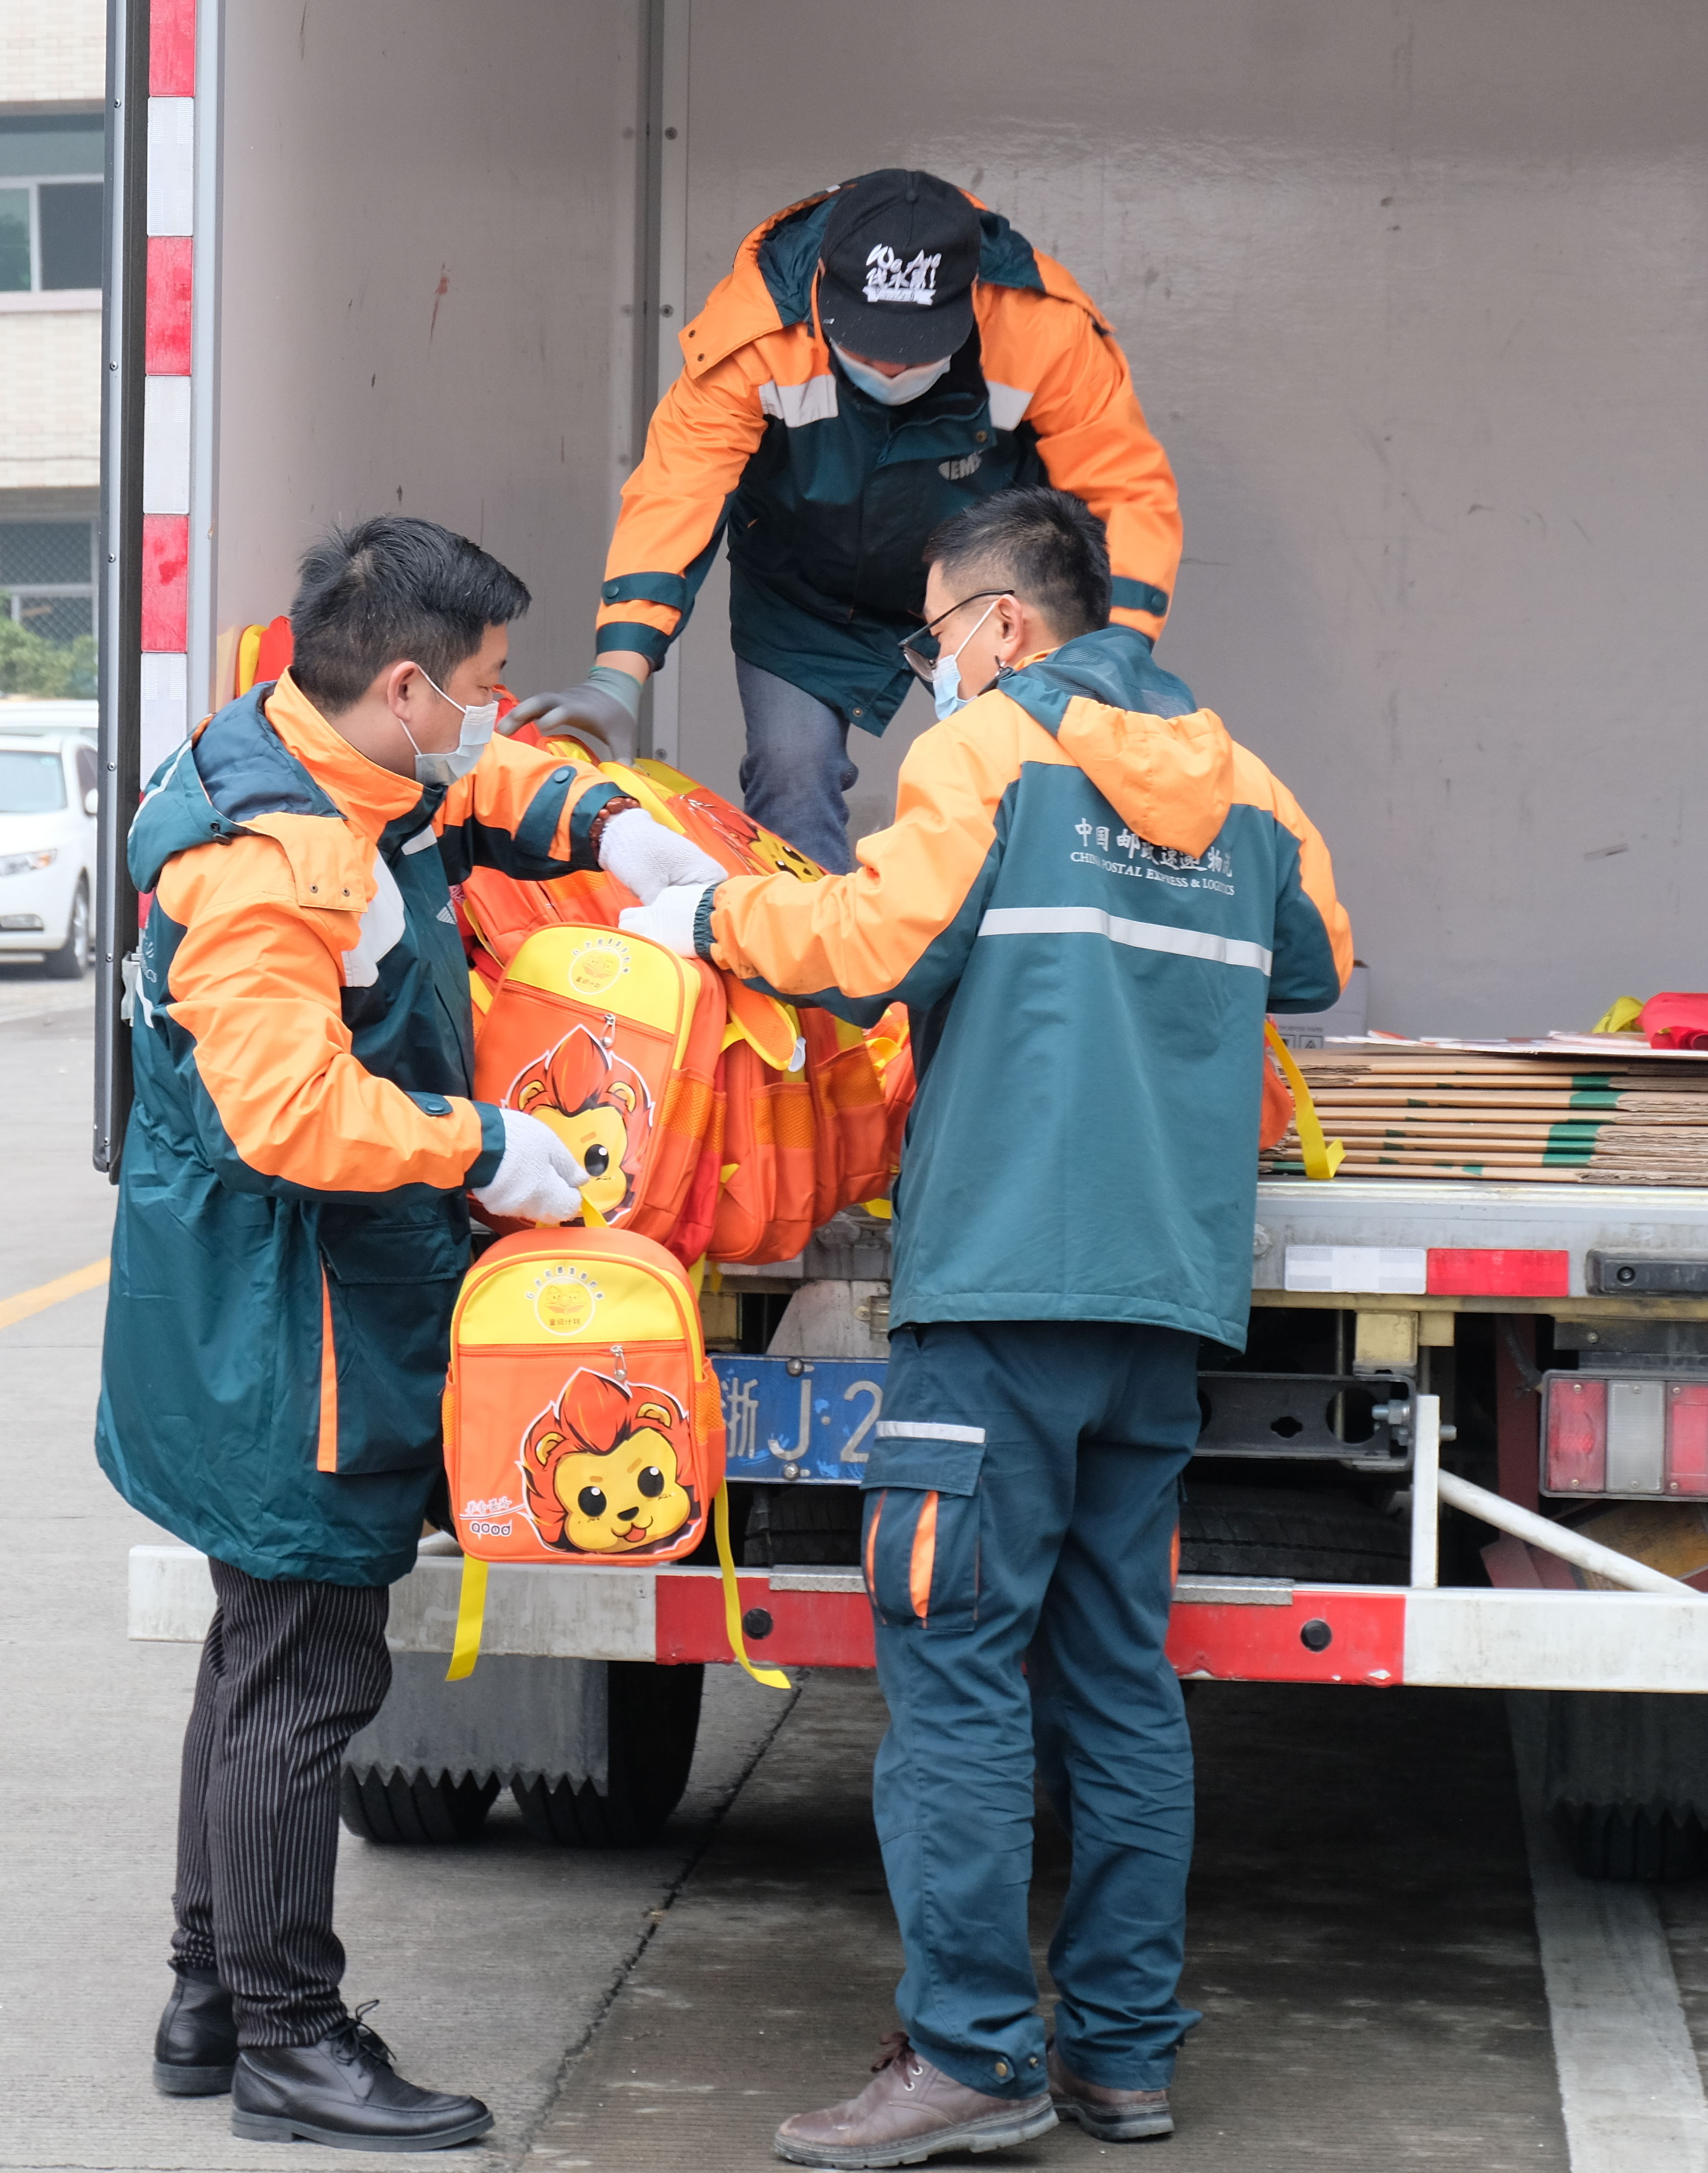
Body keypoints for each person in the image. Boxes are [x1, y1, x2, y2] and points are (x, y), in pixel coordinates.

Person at [616, 486, 1350, 2168]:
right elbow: (1314, 959)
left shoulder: (988, 753)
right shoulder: (1241, 776)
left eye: (933, 636)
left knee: (948, 1671)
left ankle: (968, 2056)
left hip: (1004, 1283)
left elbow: (874, 946)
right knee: (1116, 1677)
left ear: (1003, 626)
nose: (928, 669)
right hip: (1163, 1293)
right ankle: (1121, 2059)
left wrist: (710, 917)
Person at [99, 516, 726, 2153]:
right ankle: (292, 2042)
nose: (498, 714)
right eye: (486, 686)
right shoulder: (273, 861)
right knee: (307, 1668)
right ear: (400, 683)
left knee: (257, 1658)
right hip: (283, 1319)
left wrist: (614, 829)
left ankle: (208, 1994)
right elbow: (291, 1109)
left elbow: (489, 787)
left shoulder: (353, 767)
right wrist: (481, 1145)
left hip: (295, 1298)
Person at [512, 167, 1182, 878]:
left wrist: (1114, 662)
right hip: (807, 592)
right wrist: (619, 673)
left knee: (1033, 777)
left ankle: (1007, 974)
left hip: (984, 595)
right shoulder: (760, 325)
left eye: (918, 342)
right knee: (790, 770)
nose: (892, 363)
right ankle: (808, 984)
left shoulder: (1040, 325)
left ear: (970, 296)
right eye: (868, 340)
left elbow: (1126, 492)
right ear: (826, 288)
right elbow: (679, 488)